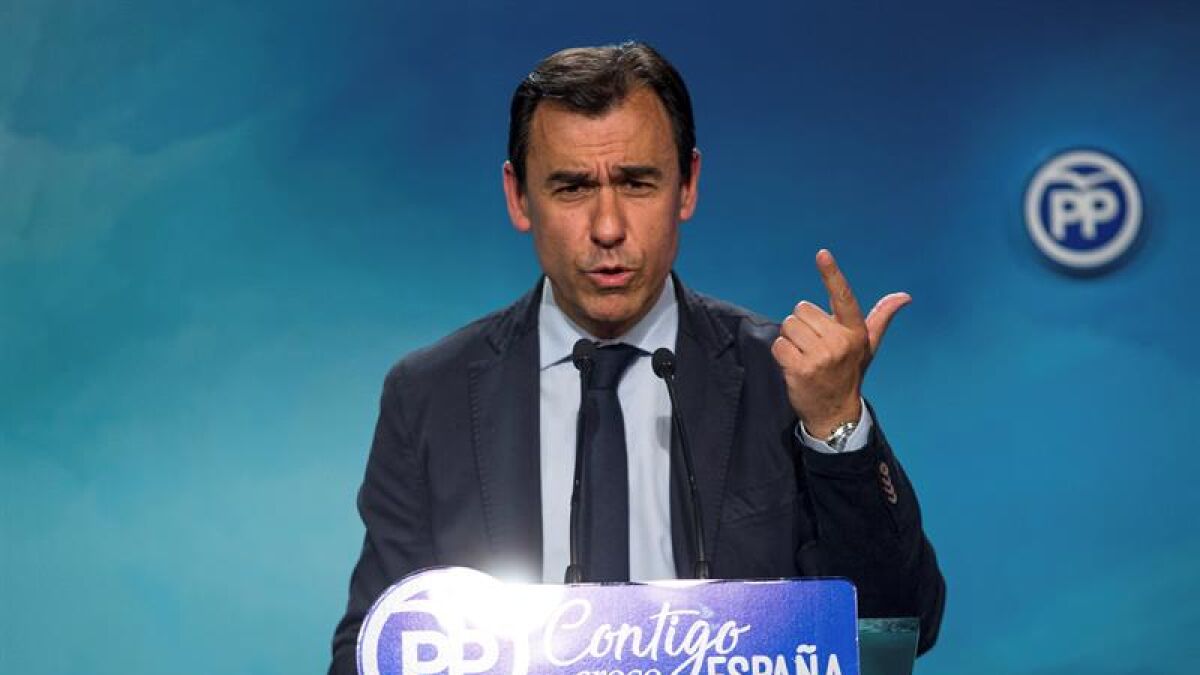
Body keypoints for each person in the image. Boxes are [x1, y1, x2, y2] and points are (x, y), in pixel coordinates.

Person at [329, 42, 945, 674]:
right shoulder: (431, 395)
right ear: (518, 197)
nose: (607, 228)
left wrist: (837, 426)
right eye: (572, 187)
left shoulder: (782, 379)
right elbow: (372, 648)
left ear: (687, 186)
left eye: (636, 182)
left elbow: (900, 624)